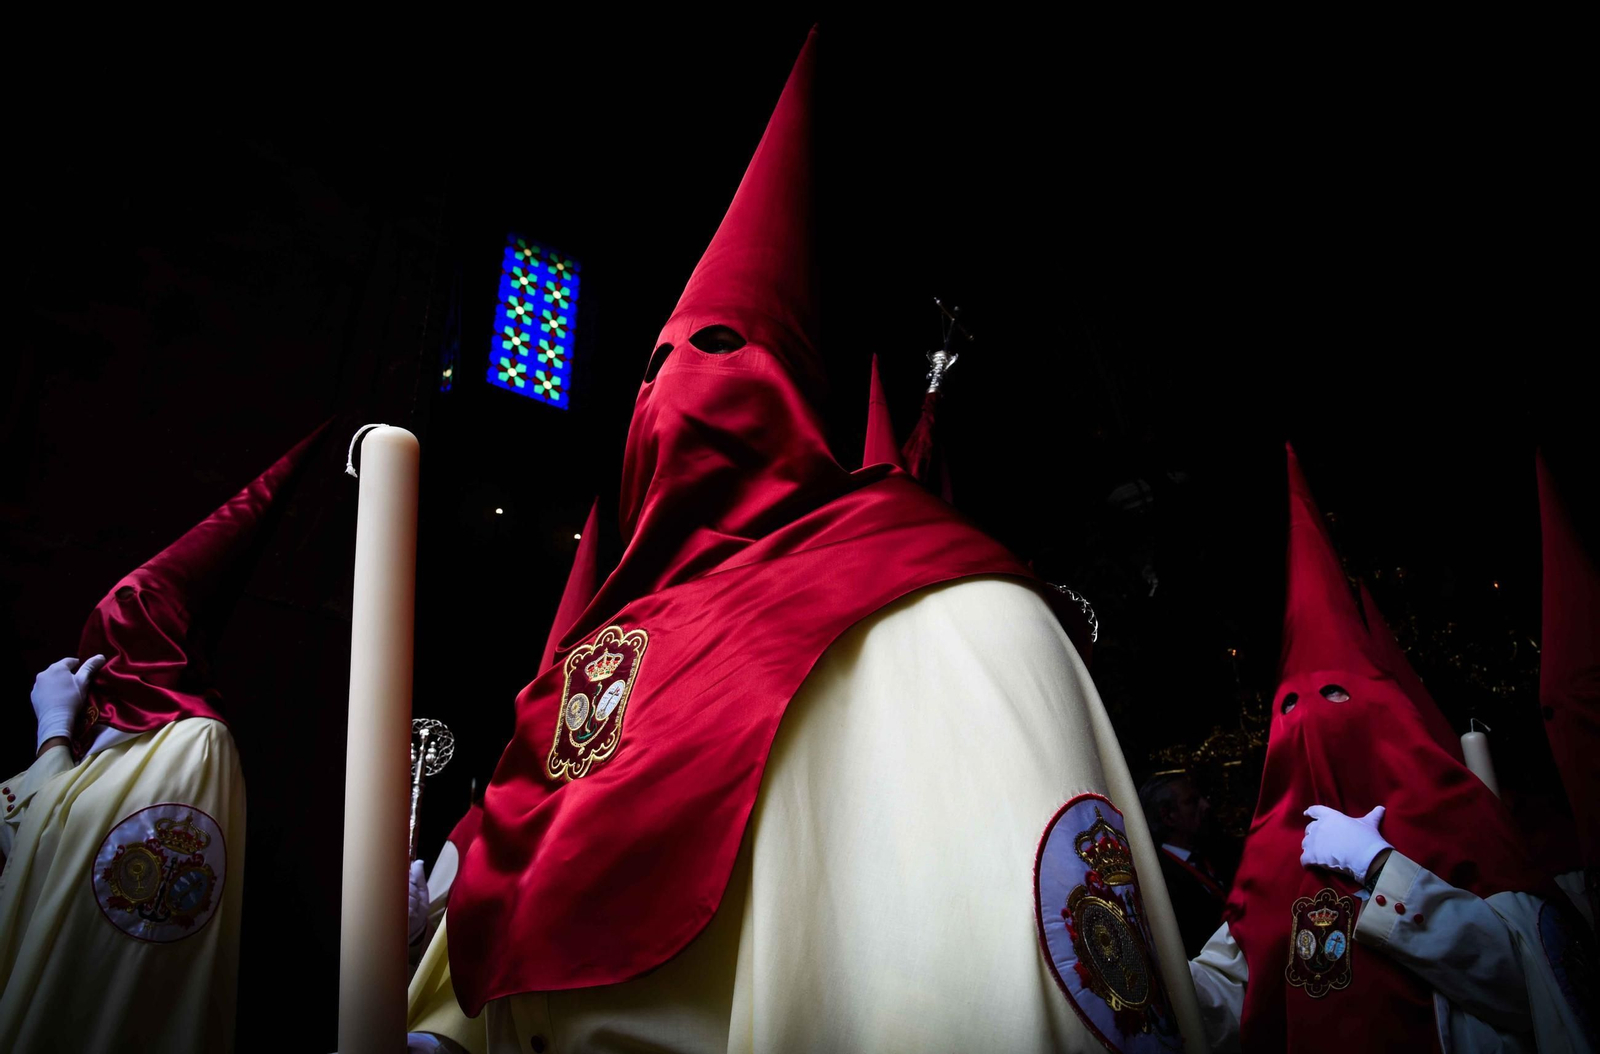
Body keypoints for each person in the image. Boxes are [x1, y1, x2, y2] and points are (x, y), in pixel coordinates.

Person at [406, 28, 1205, 1054]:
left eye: (723, 347)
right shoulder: (594, 664)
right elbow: (503, 923)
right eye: (653, 364)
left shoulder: (943, 607)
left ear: (794, 393)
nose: (676, 386)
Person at [1186, 445, 1595, 1053]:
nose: (1310, 722)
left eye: (1334, 695)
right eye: (1289, 707)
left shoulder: (1457, 825)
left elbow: (1532, 986)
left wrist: (1382, 868)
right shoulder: (1274, 861)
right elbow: (1223, 997)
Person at [0, 424, 324, 1054]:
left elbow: (97, 891)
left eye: (127, 634)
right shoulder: (108, 744)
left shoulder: (196, 746)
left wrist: (51, 738)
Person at [1140, 772, 1230, 957]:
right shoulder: (1159, 879)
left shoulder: (1219, 854)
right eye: (1192, 802)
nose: (1205, 805)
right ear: (1168, 817)